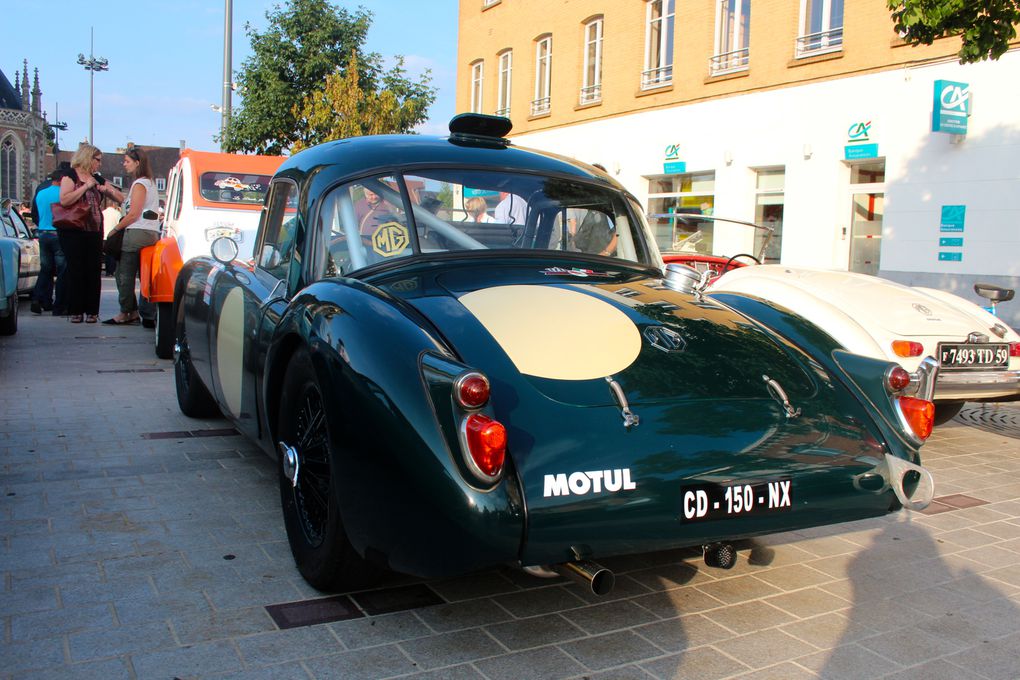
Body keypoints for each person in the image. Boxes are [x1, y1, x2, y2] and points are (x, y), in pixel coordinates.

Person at [58, 143, 124, 323]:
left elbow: (121, 198)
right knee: (76, 270)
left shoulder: (97, 178)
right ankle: (76, 311)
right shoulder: (70, 176)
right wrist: (85, 187)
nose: (99, 164)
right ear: (88, 158)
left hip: (94, 231)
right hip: (74, 230)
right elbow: (64, 200)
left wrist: (107, 190)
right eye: (98, 160)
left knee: (93, 271)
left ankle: (92, 311)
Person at [104, 147, 161, 325]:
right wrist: (112, 192)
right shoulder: (149, 183)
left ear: (137, 163)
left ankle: (126, 311)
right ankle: (144, 312)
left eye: (127, 161)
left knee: (123, 273)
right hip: (151, 232)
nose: (124, 164)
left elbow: (133, 214)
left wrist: (115, 229)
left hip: (136, 232)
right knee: (145, 274)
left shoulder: (139, 184)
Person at [30, 169, 68, 315]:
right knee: (61, 270)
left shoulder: (41, 193)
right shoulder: (62, 194)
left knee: (45, 269)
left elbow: (37, 213)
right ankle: (59, 304)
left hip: (43, 233)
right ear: (62, 179)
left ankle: (37, 298)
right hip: (57, 233)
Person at [101, 197, 122, 276]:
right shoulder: (117, 213)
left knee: (105, 254)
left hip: (103, 236)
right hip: (112, 236)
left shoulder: (103, 212)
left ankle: (106, 270)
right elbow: (119, 224)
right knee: (111, 255)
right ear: (114, 204)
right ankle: (111, 271)